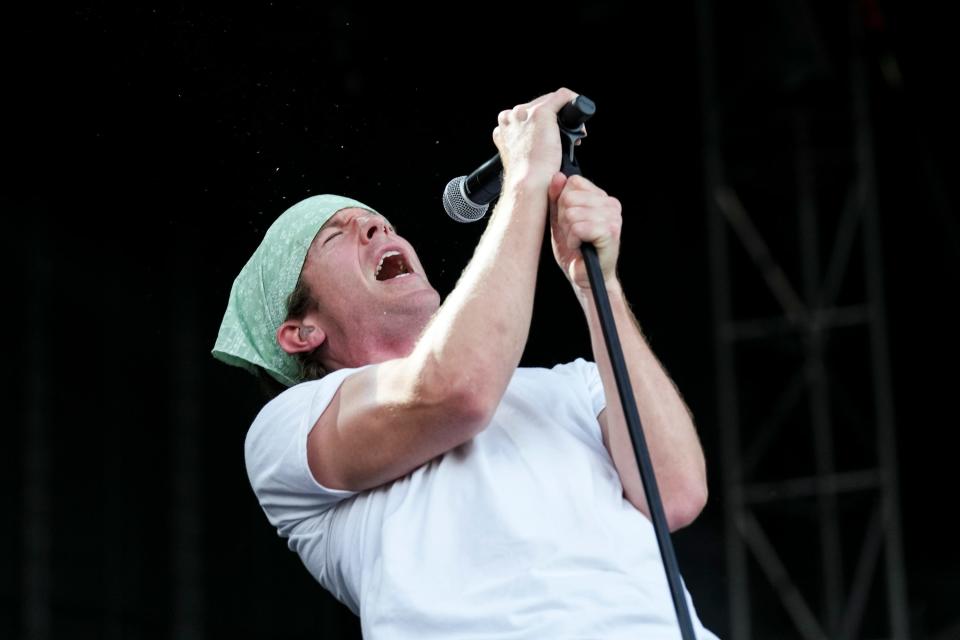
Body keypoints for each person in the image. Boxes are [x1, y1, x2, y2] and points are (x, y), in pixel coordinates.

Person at [213, 88, 719, 639]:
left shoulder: (574, 384)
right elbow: (457, 389)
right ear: (301, 332)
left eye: (378, 221)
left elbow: (676, 491)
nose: (378, 229)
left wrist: (598, 285)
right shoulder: (288, 430)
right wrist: (524, 183)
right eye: (337, 234)